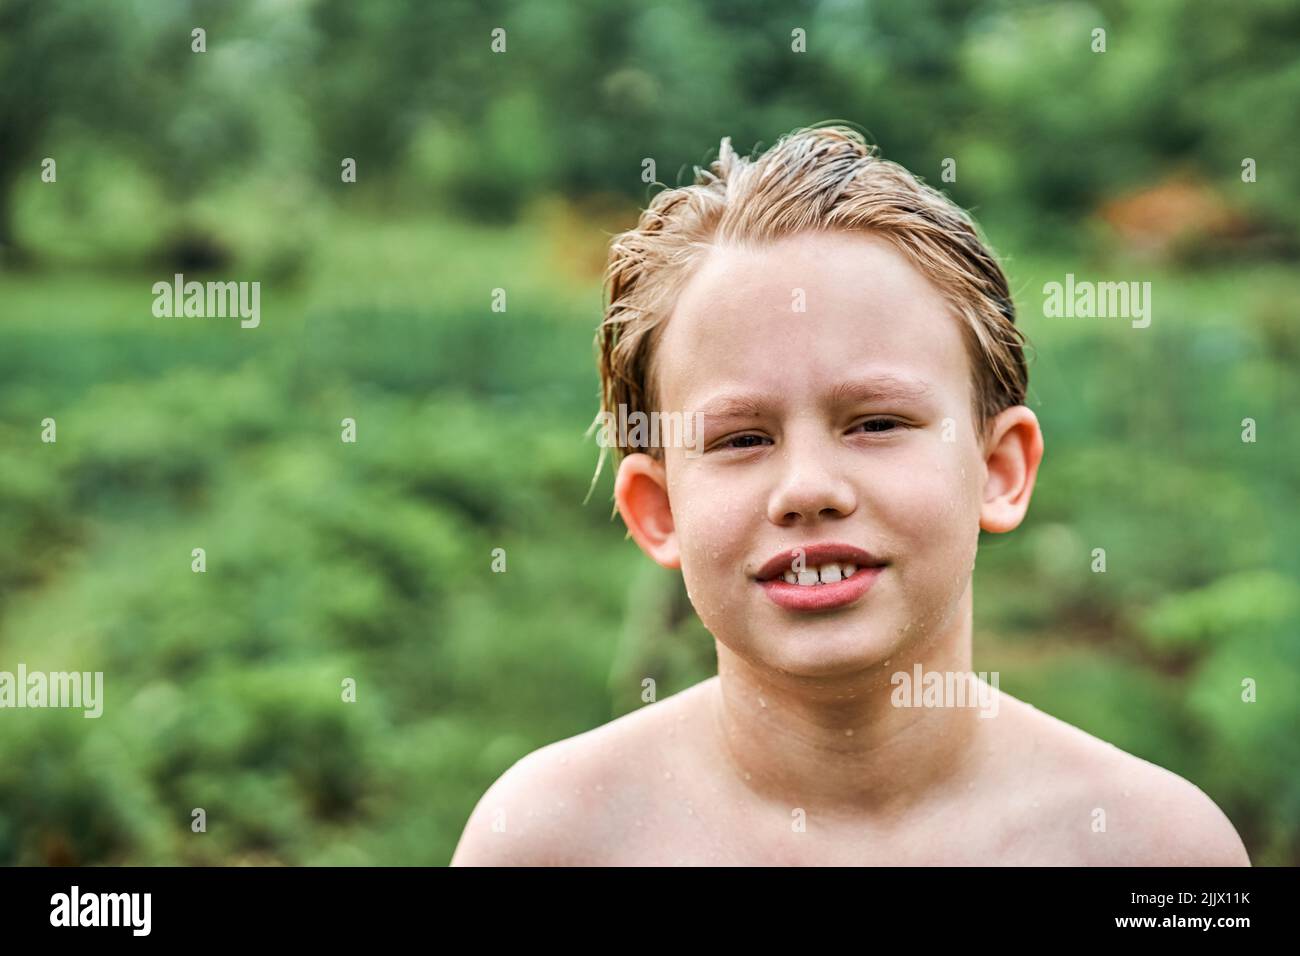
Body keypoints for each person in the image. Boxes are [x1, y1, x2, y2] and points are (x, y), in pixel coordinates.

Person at [451, 124, 1250, 866]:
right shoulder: (553, 841)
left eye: (875, 423)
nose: (808, 490)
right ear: (657, 511)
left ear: (1000, 469)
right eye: (741, 439)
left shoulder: (1155, 852)